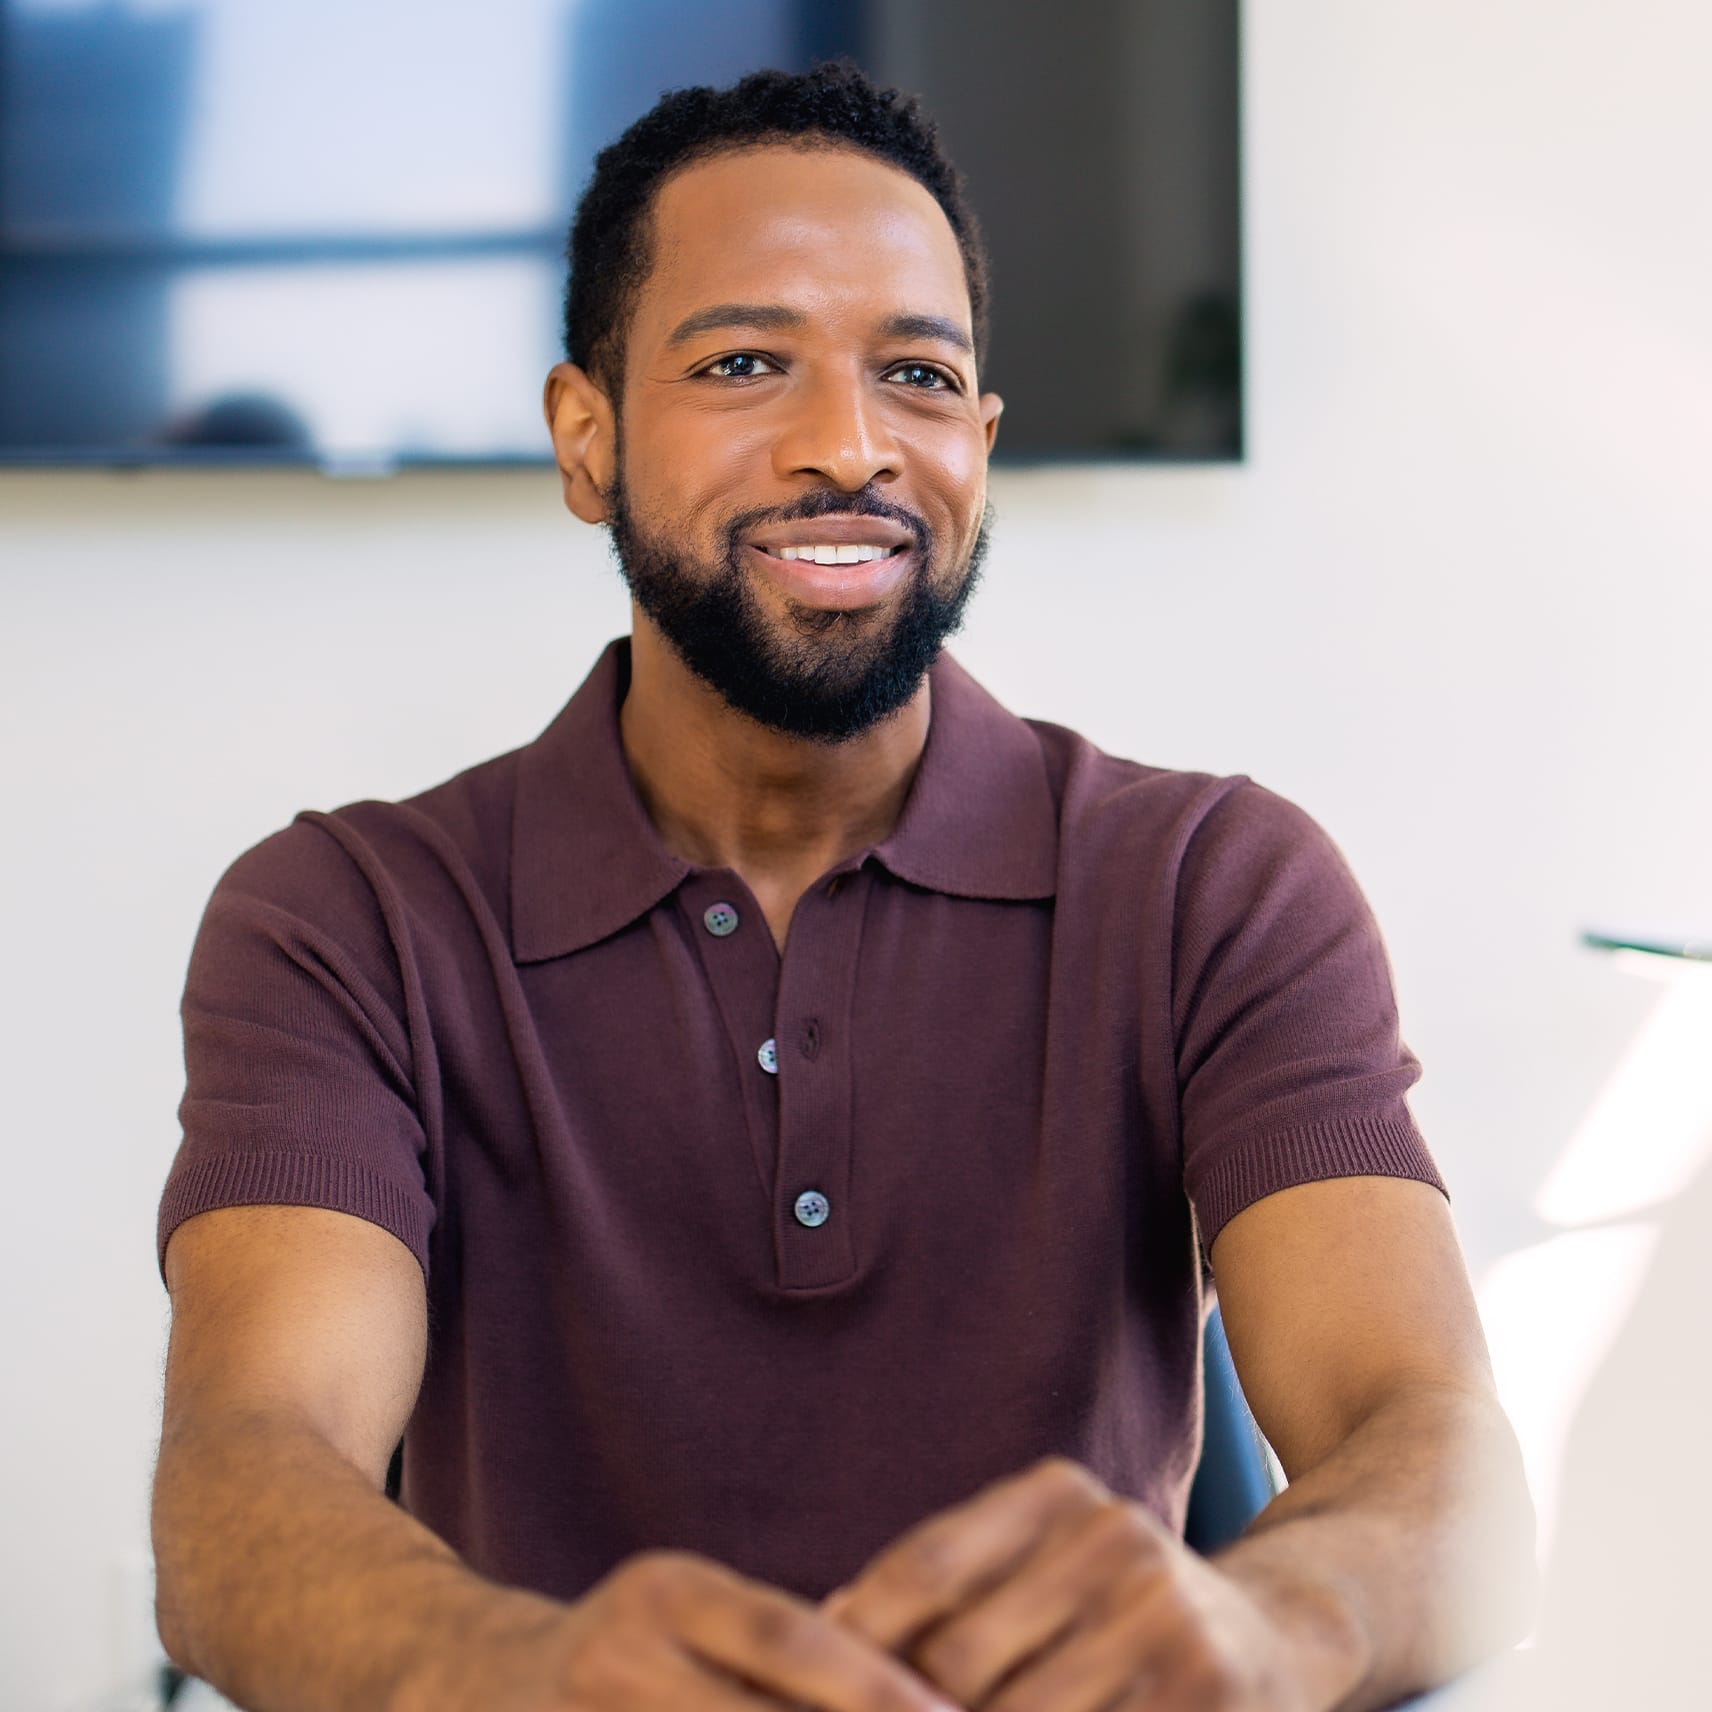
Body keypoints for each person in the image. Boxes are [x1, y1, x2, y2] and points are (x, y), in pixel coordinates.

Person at [151, 62, 1536, 1712]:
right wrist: (518, 1671)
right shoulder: (347, 917)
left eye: (919, 376)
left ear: (982, 441)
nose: (849, 446)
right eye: (745, 364)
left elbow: (1433, 1445)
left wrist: (1268, 1627)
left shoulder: (1211, 884)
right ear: (586, 438)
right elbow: (245, 1483)